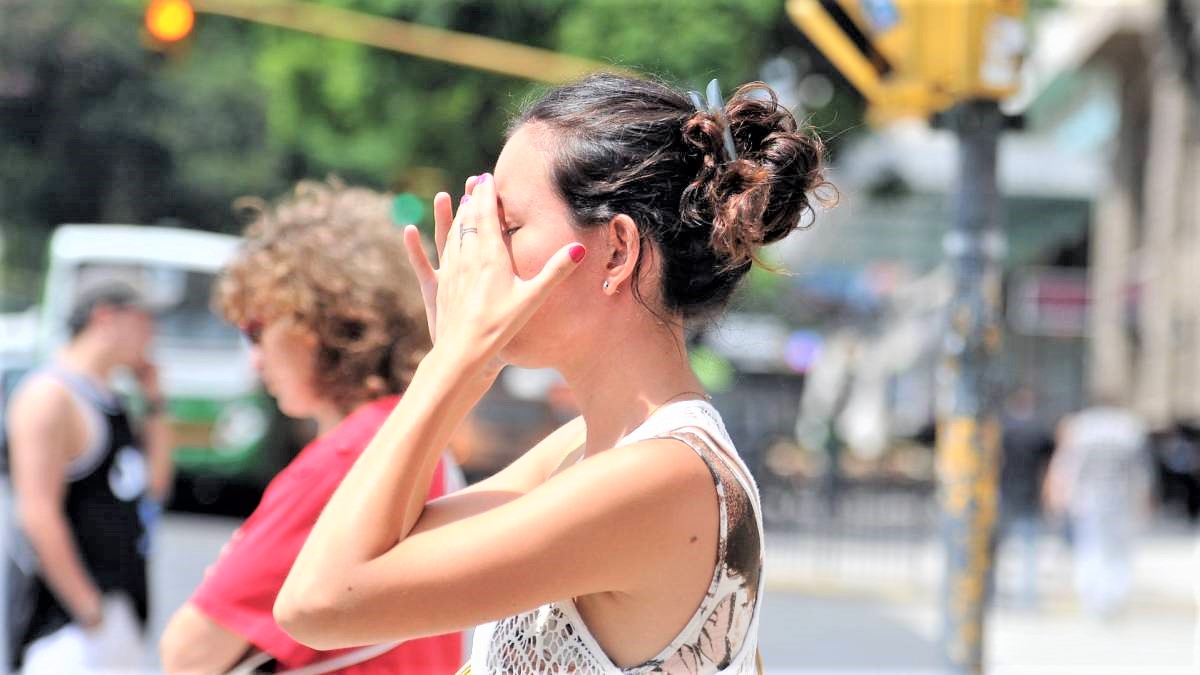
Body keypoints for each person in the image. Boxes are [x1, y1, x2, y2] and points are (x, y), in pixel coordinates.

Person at [273, 73, 829, 674]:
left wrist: (451, 364)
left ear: (617, 251)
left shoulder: (663, 477)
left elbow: (319, 604)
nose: (476, 253)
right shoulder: (582, 451)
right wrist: (466, 360)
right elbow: (384, 548)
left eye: (506, 227)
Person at [159, 179, 463, 674]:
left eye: (257, 330)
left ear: (320, 321)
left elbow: (188, 653)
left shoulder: (348, 459)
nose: (254, 359)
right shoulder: (414, 436)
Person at [4, 281, 173, 673]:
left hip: (119, 602)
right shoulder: (50, 396)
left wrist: (155, 401)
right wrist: (87, 606)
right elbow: (37, 512)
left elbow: (157, 484)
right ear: (105, 317)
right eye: (143, 320)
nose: (152, 334)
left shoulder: (110, 396)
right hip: (66, 622)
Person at [1044, 399, 1154, 619]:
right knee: (1114, 551)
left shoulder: (1083, 430)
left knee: (1091, 548)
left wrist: (1059, 496)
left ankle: (1096, 598)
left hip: (1091, 501)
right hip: (1115, 500)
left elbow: (1066, 468)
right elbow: (1141, 473)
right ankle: (1109, 597)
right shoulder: (1127, 430)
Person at [994, 386, 1055, 608]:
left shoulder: (1004, 429)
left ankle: (993, 593)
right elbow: (1050, 462)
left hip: (1006, 491)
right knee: (1028, 549)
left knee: (997, 548)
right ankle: (1027, 598)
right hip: (1028, 492)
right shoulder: (1038, 430)